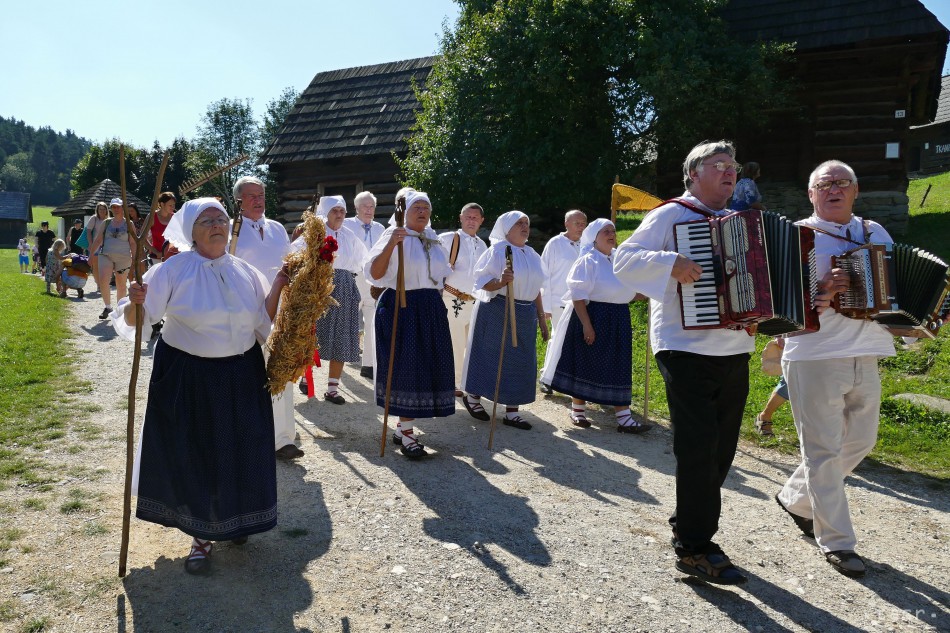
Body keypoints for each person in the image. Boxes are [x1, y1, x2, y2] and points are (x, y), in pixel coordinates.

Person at [113, 197, 287, 576]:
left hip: (242, 375)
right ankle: (201, 536)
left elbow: (261, 325)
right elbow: (139, 322)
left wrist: (279, 285)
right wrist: (135, 302)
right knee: (200, 452)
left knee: (242, 448)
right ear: (190, 231)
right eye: (206, 220)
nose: (216, 225)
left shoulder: (245, 272)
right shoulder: (172, 271)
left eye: (221, 218)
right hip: (190, 377)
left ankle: (237, 519)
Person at [613, 140, 752, 585]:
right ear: (693, 174)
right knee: (698, 447)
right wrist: (670, 261)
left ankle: (689, 522)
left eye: (733, 167)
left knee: (721, 451)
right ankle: (694, 546)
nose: (730, 172)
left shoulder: (743, 223)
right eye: (719, 166)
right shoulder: (673, 214)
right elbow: (623, 258)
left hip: (734, 348)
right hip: (685, 346)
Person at [775, 160, 895, 579]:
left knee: (861, 441)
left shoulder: (875, 232)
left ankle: (796, 498)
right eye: (824, 184)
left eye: (841, 183)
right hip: (814, 354)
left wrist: (925, 315)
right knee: (823, 451)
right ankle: (838, 542)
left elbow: (893, 287)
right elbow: (776, 302)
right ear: (811, 194)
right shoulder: (796, 236)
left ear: (855, 191)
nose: (833, 189)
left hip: (869, 349)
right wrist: (822, 291)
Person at [364, 191, 454, 459]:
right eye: (417, 207)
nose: (423, 211)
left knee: (426, 366)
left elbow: (440, 278)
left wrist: (437, 304)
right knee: (407, 366)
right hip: (401, 306)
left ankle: (403, 426)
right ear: (405, 211)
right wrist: (392, 243)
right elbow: (375, 275)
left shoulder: (433, 239)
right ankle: (407, 433)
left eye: (427, 207)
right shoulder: (394, 234)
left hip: (429, 308)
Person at [540, 219, 651, 433]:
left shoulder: (620, 259)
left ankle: (624, 417)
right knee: (586, 362)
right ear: (594, 237)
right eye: (606, 232)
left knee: (619, 363)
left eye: (613, 231)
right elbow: (578, 295)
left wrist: (648, 293)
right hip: (594, 315)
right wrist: (587, 326)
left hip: (619, 317)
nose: (612, 234)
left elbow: (627, 290)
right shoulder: (588, 260)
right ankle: (578, 411)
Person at [229, 176, 301, 461]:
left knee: (280, 369)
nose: (258, 200)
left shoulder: (276, 228)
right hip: (246, 308)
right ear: (239, 201)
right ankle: (247, 435)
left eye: (261, 194)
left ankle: (283, 439)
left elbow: (288, 262)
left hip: (279, 307)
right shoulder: (232, 230)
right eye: (251, 196)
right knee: (248, 372)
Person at [461, 211, 550, 430]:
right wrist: (500, 282)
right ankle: (473, 396)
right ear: (506, 228)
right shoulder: (498, 251)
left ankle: (512, 411)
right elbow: (481, 281)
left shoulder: (532, 254)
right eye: (519, 223)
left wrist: (541, 318)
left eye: (526, 223)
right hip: (498, 308)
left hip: (526, 312)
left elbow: (536, 289)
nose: (524, 226)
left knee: (521, 360)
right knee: (490, 356)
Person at [294, 196, 368, 403]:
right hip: (319, 286)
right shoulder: (315, 233)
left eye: (342, 211)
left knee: (342, 336)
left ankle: (333, 389)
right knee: (313, 334)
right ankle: (306, 379)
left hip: (344, 286)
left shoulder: (349, 235)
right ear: (325, 212)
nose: (339, 214)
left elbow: (364, 260)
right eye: (334, 210)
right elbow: (295, 252)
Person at [438, 203, 488, 397]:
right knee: (455, 343)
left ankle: (466, 382)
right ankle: (453, 382)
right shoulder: (448, 239)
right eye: (468, 217)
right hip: (452, 297)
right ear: (460, 218)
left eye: (475, 218)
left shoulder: (482, 245)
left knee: (470, 345)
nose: (471, 221)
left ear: (482, 221)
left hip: (474, 301)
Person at [538, 210, 587, 393]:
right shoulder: (555, 244)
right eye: (577, 223)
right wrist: (546, 305)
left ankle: (574, 380)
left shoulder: (588, 244)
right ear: (567, 223)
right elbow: (545, 275)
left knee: (579, 341)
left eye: (583, 223)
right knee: (557, 338)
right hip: (559, 300)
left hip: (582, 302)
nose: (581, 227)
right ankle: (547, 378)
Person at [343, 191, 386, 379]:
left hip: (373, 280)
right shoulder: (347, 225)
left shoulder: (380, 228)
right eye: (365, 207)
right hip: (353, 277)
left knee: (373, 321)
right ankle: (342, 360)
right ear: (357, 208)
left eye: (371, 207)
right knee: (348, 321)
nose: (369, 210)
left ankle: (368, 364)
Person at [89, 199, 135, 320]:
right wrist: (90, 255)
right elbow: (98, 240)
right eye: (113, 207)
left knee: (121, 284)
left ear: (122, 208)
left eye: (118, 207)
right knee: (103, 280)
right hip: (106, 255)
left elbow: (133, 243)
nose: (115, 209)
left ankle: (120, 310)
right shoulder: (106, 223)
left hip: (123, 258)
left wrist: (135, 258)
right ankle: (108, 307)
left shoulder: (129, 224)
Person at [147, 192, 177, 267]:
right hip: (156, 258)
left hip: (173, 257)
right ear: (162, 204)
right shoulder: (152, 217)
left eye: (174, 205)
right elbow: (142, 238)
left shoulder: (175, 217)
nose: (173, 208)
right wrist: (155, 251)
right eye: (170, 205)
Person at [86, 202, 110, 294]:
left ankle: (104, 284)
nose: (102, 211)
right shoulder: (94, 219)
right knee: (95, 267)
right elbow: (88, 231)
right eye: (100, 209)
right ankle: (99, 285)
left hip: (107, 246)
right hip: (96, 246)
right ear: (97, 210)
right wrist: (91, 244)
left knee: (106, 266)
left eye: (104, 209)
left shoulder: (109, 220)